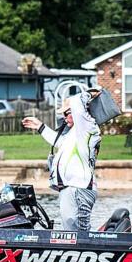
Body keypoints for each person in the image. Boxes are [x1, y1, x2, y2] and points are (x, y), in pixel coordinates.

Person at [21, 89, 102, 231]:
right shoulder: (74, 133)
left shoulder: (87, 127)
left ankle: (88, 250)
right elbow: (59, 142)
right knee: (69, 228)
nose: (64, 118)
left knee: (79, 230)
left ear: (75, 112)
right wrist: (40, 126)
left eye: (66, 113)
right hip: (69, 187)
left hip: (80, 188)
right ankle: (74, 251)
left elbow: (78, 104)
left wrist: (87, 94)